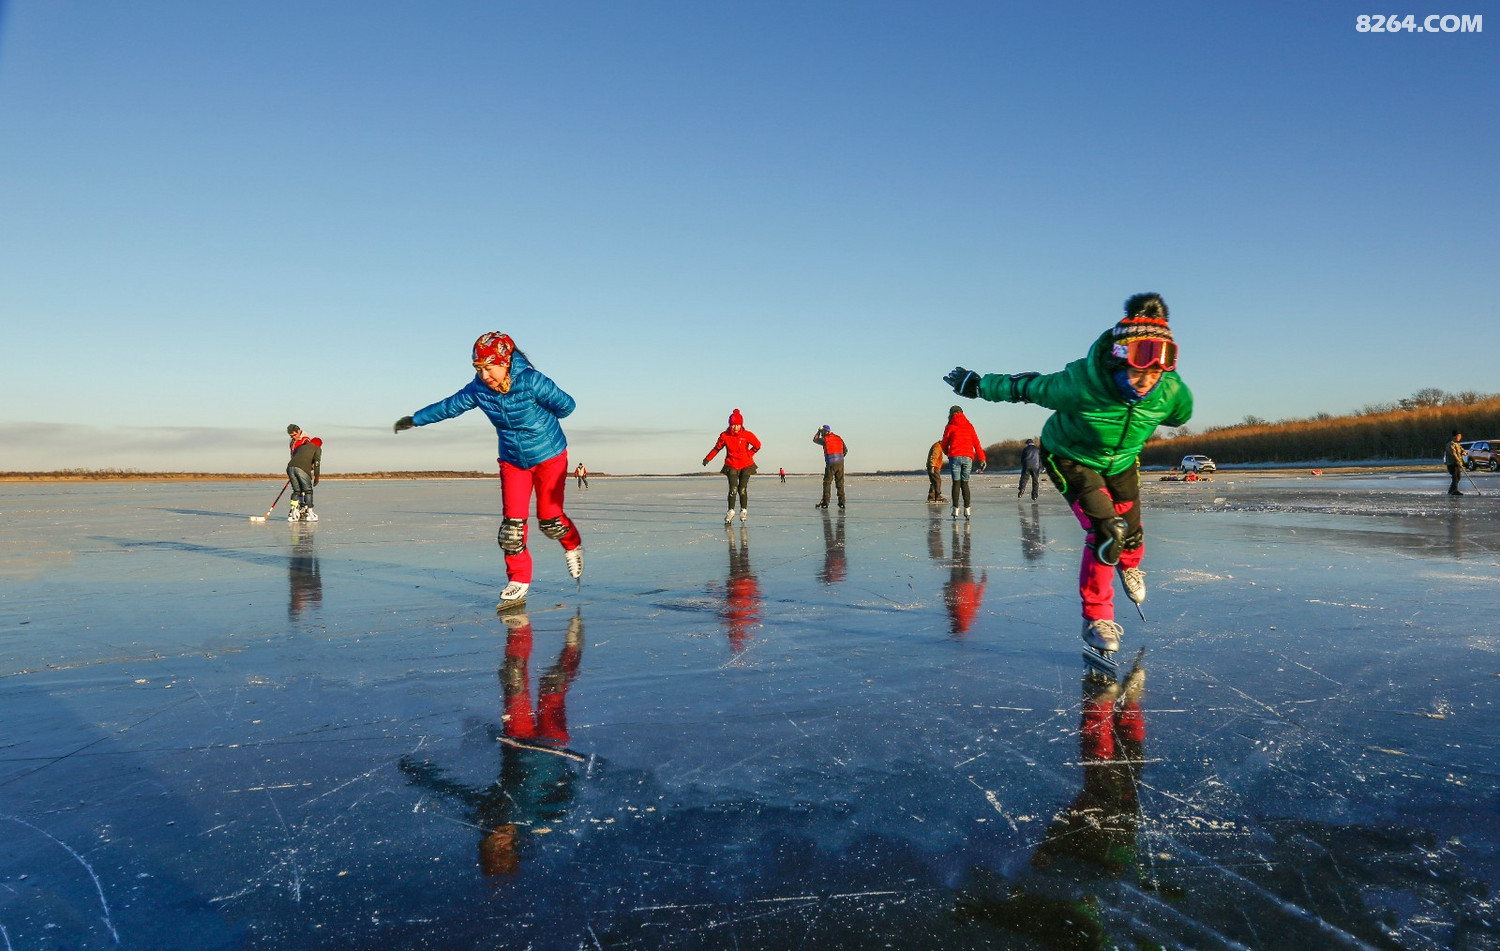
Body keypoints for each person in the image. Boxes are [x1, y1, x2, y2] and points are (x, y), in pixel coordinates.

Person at [944, 292, 1193, 659]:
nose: (1148, 378)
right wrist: (980, 386)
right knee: (1107, 532)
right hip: (1070, 457)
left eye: (1159, 367)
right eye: (1141, 364)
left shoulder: (1169, 392)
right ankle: (1097, 619)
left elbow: (1180, 413)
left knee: (1133, 534)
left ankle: (1130, 566)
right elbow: (1026, 386)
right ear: (1119, 356)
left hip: (1122, 461)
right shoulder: (1082, 383)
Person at [394, 332, 583, 612]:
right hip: (512, 460)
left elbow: (567, 406)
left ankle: (572, 545)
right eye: (479, 368)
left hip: (549, 456)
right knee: (511, 530)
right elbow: (450, 406)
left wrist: (542, 417)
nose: (485, 374)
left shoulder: (532, 380)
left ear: (506, 361)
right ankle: (518, 579)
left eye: (489, 366)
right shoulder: (478, 389)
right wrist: (416, 419)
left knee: (550, 520)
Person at [703, 409, 761, 524]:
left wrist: (749, 454)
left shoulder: (747, 435)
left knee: (742, 489)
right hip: (731, 464)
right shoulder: (725, 436)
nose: (735, 427)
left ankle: (743, 510)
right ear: (730, 425)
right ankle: (731, 511)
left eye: (738, 425)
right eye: (733, 425)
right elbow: (717, 448)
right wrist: (708, 458)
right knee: (733, 489)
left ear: (741, 425)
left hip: (746, 465)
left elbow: (757, 445)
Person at [941, 406, 986, 520]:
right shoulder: (969, 426)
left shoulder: (950, 426)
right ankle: (967, 509)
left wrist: (948, 453)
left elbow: (944, 443)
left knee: (956, 483)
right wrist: (982, 458)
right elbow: (976, 443)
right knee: (965, 484)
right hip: (968, 457)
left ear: (951, 414)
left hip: (955, 457)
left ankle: (955, 510)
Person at [285, 424, 322, 521]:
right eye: (291, 436)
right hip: (298, 466)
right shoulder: (292, 441)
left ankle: (300, 507)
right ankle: (304, 509)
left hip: (294, 466)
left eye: (294, 435)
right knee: (306, 490)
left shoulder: (305, 440)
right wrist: (316, 476)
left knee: (299, 490)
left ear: (298, 431)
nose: (293, 437)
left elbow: (307, 455)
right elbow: (316, 461)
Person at [813, 424, 848, 509]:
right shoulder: (838, 438)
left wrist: (818, 431)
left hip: (831, 463)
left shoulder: (825, 439)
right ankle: (842, 502)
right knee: (840, 483)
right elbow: (846, 450)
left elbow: (815, 439)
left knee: (827, 483)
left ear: (825, 432)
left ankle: (825, 502)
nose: (821, 434)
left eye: (822, 432)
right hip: (840, 463)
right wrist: (839, 458)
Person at [1445, 430, 1465, 496]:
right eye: (1459, 436)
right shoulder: (1450, 444)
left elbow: (1461, 449)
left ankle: (1451, 490)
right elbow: (1452, 454)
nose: (1460, 437)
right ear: (1455, 436)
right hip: (1452, 464)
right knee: (1455, 477)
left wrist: (1464, 452)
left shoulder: (1457, 444)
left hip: (1457, 463)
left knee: (1458, 476)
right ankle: (1454, 490)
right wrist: (1458, 461)